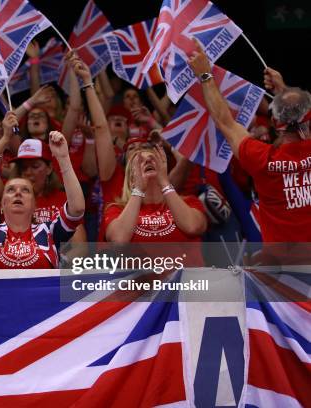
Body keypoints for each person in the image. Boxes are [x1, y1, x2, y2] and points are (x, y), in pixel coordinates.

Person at [188, 39, 311, 242]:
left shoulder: (262, 159)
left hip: (284, 270)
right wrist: (283, 90)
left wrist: (205, 75)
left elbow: (225, 122)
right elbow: (301, 115)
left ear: (273, 121)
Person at [0, 129, 85, 269]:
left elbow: (77, 209)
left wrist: (64, 158)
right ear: (1, 206)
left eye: (25, 190)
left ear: (34, 205)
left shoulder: (49, 232)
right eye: (10, 190)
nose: (18, 193)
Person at [103, 146, 207, 263]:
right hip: (142, 280)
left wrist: (164, 182)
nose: (148, 161)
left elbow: (193, 227)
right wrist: (139, 189)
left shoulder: (189, 202)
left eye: (153, 159)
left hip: (188, 279)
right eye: (140, 162)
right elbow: (119, 240)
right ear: (131, 180)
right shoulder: (116, 210)